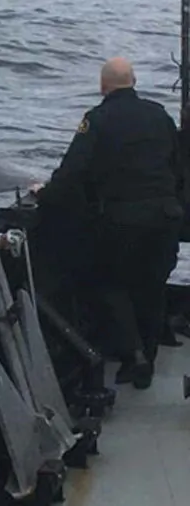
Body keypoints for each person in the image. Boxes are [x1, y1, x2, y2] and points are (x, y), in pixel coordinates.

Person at [32, 57, 184, 389]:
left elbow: (73, 172)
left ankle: (133, 356)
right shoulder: (159, 114)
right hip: (166, 217)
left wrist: (45, 195)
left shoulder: (96, 120)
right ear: (135, 81)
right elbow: (176, 164)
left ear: (103, 86)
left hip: (124, 220)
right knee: (152, 287)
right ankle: (149, 357)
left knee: (107, 283)